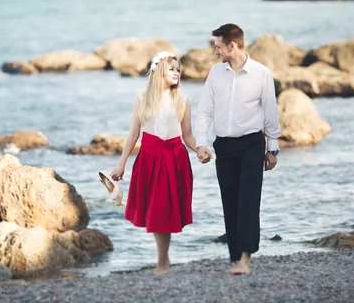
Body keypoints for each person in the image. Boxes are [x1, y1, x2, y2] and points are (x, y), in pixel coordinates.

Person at [195, 23, 281, 275]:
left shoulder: (262, 73)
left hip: (252, 145)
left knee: (248, 201)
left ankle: (246, 259)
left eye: (218, 46)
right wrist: (202, 143)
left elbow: (270, 112)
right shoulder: (215, 73)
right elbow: (205, 110)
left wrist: (272, 148)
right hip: (224, 147)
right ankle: (235, 257)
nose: (215, 51)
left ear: (232, 45)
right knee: (229, 202)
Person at [111, 51, 206, 276]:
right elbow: (134, 133)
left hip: (174, 158)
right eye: (172, 69)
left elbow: (188, 135)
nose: (177, 73)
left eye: (178, 70)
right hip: (150, 158)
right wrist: (121, 164)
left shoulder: (182, 100)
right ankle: (162, 260)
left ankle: (162, 262)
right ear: (159, 71)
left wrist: (200, 149)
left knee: (165, 211)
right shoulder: (142, 99)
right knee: (155, 211)